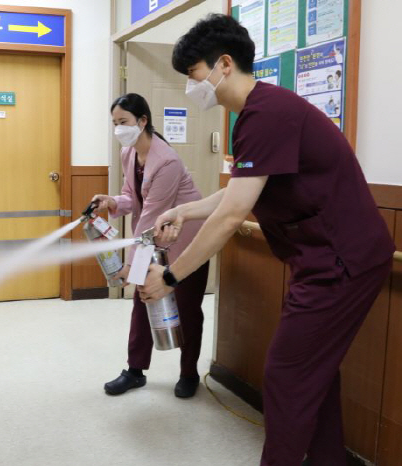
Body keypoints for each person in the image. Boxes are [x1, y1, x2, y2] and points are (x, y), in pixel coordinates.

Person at [138, 14, 394, 466]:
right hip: (321, 258)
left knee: (287, 373)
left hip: (342, 260)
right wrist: (184, 209)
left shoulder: (266, 113)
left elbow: (234, 212)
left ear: (223, 64)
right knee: (312, 372)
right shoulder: (258, 112)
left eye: (193, 75)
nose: (191, 87)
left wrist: (173, 275)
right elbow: (242, 189)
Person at [92, 93, 209, 399]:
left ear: (142, 121)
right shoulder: (129, 153)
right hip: (153, 239)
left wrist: (130, 265)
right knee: (142, 300)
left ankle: (189, 373)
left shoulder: (166, 160)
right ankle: (134, 370)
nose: (119, 129)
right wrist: (112, 201)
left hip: (187, 241)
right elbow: (132, 197)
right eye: (115, 123)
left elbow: (151, 214)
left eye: (124, 122)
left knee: (187, 308)